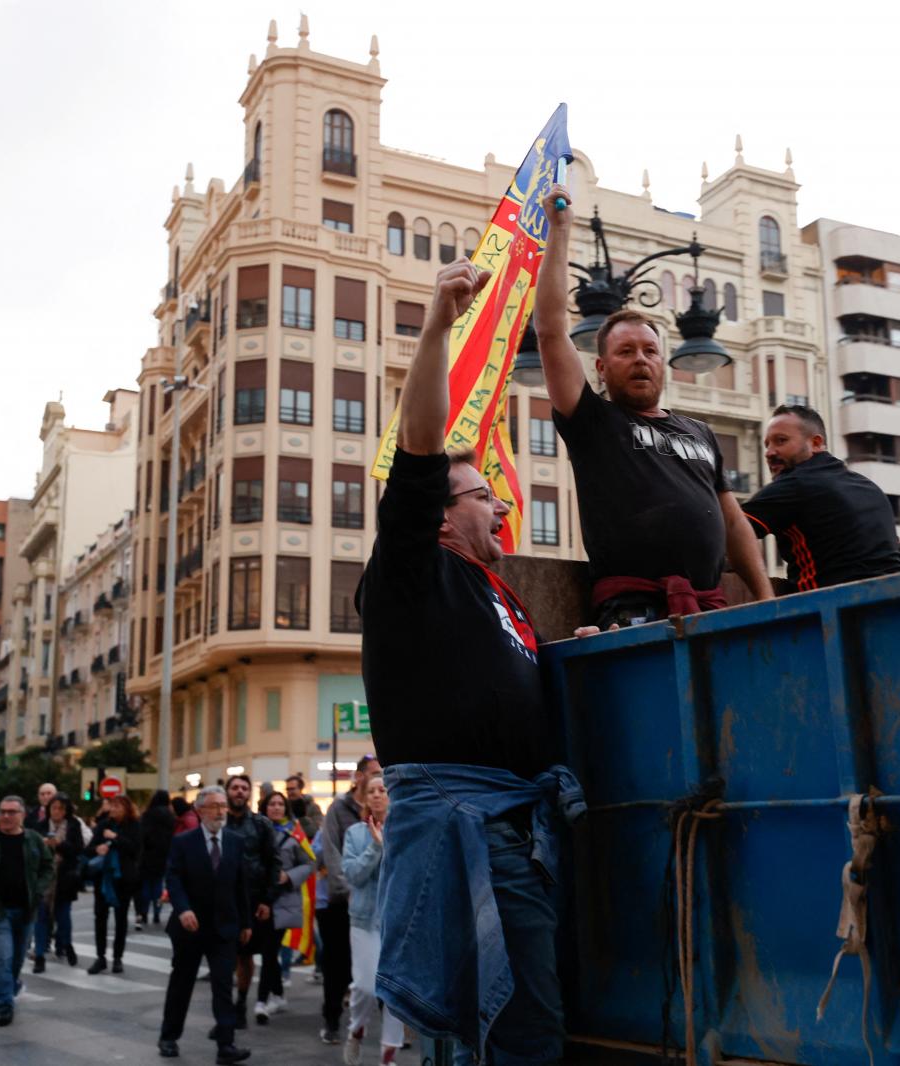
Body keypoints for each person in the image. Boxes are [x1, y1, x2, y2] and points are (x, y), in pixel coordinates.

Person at [358, 259, 586, 1064]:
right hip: (471, 828)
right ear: (441, 518)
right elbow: (418, 453)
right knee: (520, 1029)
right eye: (482, 491)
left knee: (501, 1026)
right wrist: (436, 329)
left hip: (518, 823)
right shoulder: (413, 573)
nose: (499, 501)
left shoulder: (499, 593)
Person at [534, 184, 774, 628]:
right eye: (626, 352)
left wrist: (764, 599)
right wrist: (560, 229)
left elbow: (734, 523)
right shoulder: (593, 421)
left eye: (650, 350)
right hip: (633, 611)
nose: (641, 359)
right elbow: (550, 331)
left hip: (709, 607)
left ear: (664, 363)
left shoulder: (699, 432)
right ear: (602, 369)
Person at [741, 404, 900, 591]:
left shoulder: (795, 484)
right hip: (898, 600)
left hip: (831, 609)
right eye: (767, 445)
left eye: (781, 441)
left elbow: (729, 530)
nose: (769, 452)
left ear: (815, 443)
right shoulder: (869, 487)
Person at [158, 784, 252, 1063]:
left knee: (223, 985)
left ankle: (226, 1045)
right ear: (199, 811)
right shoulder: (183, 842)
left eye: (223, 806)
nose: (220, 811)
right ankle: (169, 1037)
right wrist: (183, 909)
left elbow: (240, 885)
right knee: (182, 983)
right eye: (214, 806)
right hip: (190, 927)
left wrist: (245, 923)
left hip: (224, 928)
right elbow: (173, 879)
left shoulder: (235, 841)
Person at [0, 794, 54, 1027]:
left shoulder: (33, 840)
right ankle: (6, 1005)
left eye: (11, 812)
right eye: (2, 811)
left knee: (16, 960)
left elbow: (48, 867)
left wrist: (40, 890)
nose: (6, 816)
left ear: (22, 815)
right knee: (3, 956)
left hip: (26, 910)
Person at [313, 756, 377, 1044]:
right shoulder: (339, 809)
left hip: (375, 901)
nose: (380, 780)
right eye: (375, 774)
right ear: (359, 776)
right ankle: (331, 1020)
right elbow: (331, 852)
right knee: (336, 964)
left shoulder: (385, 807)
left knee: (381, 964)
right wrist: (348, 889)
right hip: (339, 901)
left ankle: (394, 1027)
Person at [341, 774, 402, 1066]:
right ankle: (356, 1029)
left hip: (398, 920)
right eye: (372, 791)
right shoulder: (355, 833)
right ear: (364, 798)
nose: (377, 795)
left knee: (394, 991)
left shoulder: (404, 829)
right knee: (365, 986)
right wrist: (375, 847)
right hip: (364, 919)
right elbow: (352, 875)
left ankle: (388, 1056)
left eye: (383, 790)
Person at [222, 774, 279, 1030]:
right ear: (227, 792)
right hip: (222, 899)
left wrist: (268, 899)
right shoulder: (218, 823)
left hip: (254, 900)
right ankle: (224, 1005)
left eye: (244, 788)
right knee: (224, 954)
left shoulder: (261, 824)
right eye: (235, 787)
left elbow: (273, 863)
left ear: (249, 794)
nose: (239, 792)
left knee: (245, 955)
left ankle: (242, 1001)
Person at [255, 790, 314, 1023]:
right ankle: (278, 994)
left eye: (281, 804)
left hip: (283, 901)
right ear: (265, 807)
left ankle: (261, 1000)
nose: (277, 807)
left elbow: (309, 863)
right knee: (268, 950)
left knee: (269, 951)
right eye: (272, 804)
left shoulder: (295, 833)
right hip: (260, 899)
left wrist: (288, 877)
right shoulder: (257, 830)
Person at [85, 794, 141, 974]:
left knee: (120, 918)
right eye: (112, 806)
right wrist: (97, 849)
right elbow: (89, 849)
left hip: (123, 879)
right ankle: (100, 957)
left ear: (126, 808)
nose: (114, 810)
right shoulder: (103, 825)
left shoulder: (133, 826)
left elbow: (135, 849)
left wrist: (115, 838)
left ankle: (118, 958)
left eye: (118, 806)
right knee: (100, 918)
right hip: (103, 879)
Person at [34, 795, 84, 969]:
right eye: (54, 808)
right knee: (40, 916)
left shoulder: (73, 826)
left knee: (63, 916)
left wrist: (59, 844)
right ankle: (39, 955)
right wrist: (44, 845)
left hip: (65, 878)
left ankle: (66, 944)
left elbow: (78, 849)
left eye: (61, 808)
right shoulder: (40, 826)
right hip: (45, 878)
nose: (56, 812)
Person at [138, 789, 177, 931]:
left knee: (146, 886)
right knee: (158, 885)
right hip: (164, 855)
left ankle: (144, 912)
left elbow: (142, 835)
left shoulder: (147, 815)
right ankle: (157, 912)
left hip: (148, 855)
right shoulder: (170, 816)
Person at [284, 774, 324, 838]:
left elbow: (316, 830)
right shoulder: (283, 807)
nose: (289, 792)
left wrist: (303, 819)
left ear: (300, 789)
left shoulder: (313, 807)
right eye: (287, 789)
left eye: (292, 789)